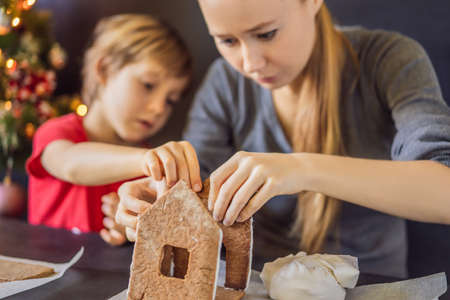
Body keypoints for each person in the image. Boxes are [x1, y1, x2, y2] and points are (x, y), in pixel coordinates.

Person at [115, 0, 450, 278]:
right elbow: (194, 195)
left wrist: (301, 169)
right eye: (227, 41)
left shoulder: (388, 59)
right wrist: (159, 201)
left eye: (267, 33)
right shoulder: (225, 82)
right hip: (255, 284)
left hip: (370, 287)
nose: (250, 63)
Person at [26, 14, 202, 246]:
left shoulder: (148, 168)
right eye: (148, 85)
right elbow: (71, 164)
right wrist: (148, 160)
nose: (159, 108)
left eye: (170, 100)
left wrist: (130, 226)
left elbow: (154, 238)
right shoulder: (57, 132)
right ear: (105, 70)